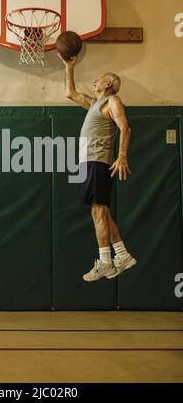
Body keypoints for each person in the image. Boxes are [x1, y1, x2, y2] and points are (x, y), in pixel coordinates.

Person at [61, 55, 137, 281]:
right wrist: (69, 67)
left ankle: (106, 262)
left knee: (98, 211)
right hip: (88, 162)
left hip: (98, 161)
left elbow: (126, 128)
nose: (94, 80)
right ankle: (122, 256)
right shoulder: (95, 103)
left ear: (108, 85)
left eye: (99, 79)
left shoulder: (112, 100)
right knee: (100, 210)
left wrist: (122, 155)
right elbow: (70, 93)